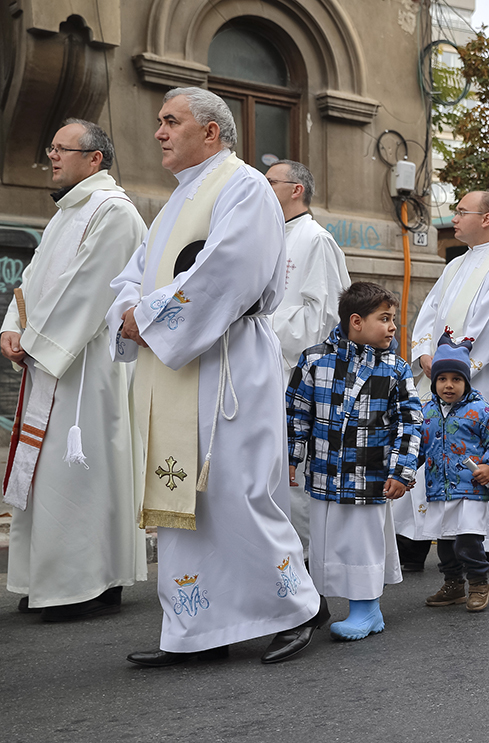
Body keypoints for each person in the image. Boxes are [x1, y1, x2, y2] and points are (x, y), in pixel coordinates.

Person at [106, 86, 324, 666]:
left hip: (228, 368)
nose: (158, 132)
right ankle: (198, 629)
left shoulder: (244, 186)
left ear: (210, 132)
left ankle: (294, 609)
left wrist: (147, 317)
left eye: (170, 121)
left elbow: (228, 270)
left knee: (237, 493)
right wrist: (128, 314)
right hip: (178, 371)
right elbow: (134, 274)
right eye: (158, 121)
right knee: (183, 507)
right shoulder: (177, 200)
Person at [1, 119, 148, 621]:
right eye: (52, 148)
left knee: (79, 474)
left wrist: (37, 341)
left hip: (88, 370)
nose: (53, 158)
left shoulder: (115, 213)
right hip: (50, 360)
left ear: (95, 159)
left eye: (63, 150)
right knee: (45, 476)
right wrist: (12, 326)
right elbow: (33, 281)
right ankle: (44, 578)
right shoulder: (66, 214)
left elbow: (89, 290)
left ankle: (87, 583)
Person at [395, 191, 489, 574]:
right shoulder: (454, 265)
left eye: (461, 211)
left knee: (476, 453)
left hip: (482, 381)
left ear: (486, 218)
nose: (453, 218)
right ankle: (418, 541)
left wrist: (453, 366)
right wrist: (425, 353)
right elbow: (430, 312)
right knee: (431, 450)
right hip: (441, 378)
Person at [287, 282, 420, 638]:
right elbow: (297, 412)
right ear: (356, 321)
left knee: (361, 541)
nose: (393, 327)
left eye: (393, 319)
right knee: (327, 539)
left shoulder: (395, 368)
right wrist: (290, 456)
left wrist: (402, 472)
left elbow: (410, 422)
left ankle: (367, 610)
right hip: (324, 473)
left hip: (370, 474)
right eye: (385, 319)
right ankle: (321, 605)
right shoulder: (315, 360)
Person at [264, 158, 349, 557]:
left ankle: (309, 566)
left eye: (271, 182)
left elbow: (325, 317)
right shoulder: (268, 235)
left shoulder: (316, 239)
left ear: (295, 189)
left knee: (298, 473)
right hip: (266, 371)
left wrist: (262, 326)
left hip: (297, 374)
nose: (263, 188)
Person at [419, 333, 489, 611]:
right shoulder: (426, 412)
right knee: (445, 544)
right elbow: (417, 448)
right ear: (434, 381)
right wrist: (404, 474)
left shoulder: (481, 410)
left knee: (468, 541)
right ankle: (454, 584)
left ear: (466, 381)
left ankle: (479, 583)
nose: (449, 385)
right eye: (442, 379)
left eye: (456, 379)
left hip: (470, 488)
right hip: (439, 489)